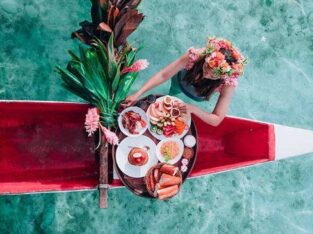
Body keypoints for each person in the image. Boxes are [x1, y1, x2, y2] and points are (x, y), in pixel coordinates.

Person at [124, 37, 247, 127]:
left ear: (223, 77)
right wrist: (138, 93)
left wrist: (193, 108)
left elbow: (217, 119)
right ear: (206, 58)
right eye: (206, 68)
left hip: (200, 93)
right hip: (181, 81)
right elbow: (163, 75)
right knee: (173, 91)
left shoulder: (228, 83)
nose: (205, 74)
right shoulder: (195, 56)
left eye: (213, 75)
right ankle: (172, 94)